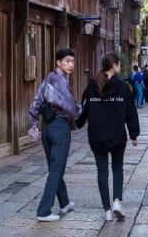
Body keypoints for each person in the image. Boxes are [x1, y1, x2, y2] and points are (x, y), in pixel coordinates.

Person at [76, 52, 140, 221]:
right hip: (117, 135)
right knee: (117, 168)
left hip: (97, 135)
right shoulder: (123, 87)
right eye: (118, 64)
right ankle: (117, 202)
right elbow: (130, 111)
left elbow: (84, 107)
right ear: (114, 66)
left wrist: (79, 123)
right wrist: (134, 133)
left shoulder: (92, 85)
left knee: (102, 172)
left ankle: (107, 211)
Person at [27, 48, 82, 222]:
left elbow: (36, 103)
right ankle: (43, 210)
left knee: (54, 167)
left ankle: (64, 203)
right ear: (58, 62)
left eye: (72, 61)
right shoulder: (61, 81)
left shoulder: (47, 79)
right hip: (59, 127)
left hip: (47, 128)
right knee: (57, 169)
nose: (71, 64)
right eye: (67, 61)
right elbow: (72, 107)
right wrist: (83, 110)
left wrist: (34, 123)